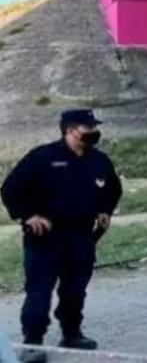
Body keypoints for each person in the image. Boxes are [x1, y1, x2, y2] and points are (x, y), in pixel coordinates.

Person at [1, 110, 122, 362]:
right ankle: (33, 343)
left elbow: (113, 188)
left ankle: (72, 334)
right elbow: (10, 189)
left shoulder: (99, 160)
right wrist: (29, 215)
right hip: (45, 237)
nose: (93, 132)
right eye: (87, 127)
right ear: (69, 130)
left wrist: (105, 210)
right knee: (39, 291)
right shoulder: (42, 157)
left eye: (93, 126)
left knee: (75, 289)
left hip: (81, 236)